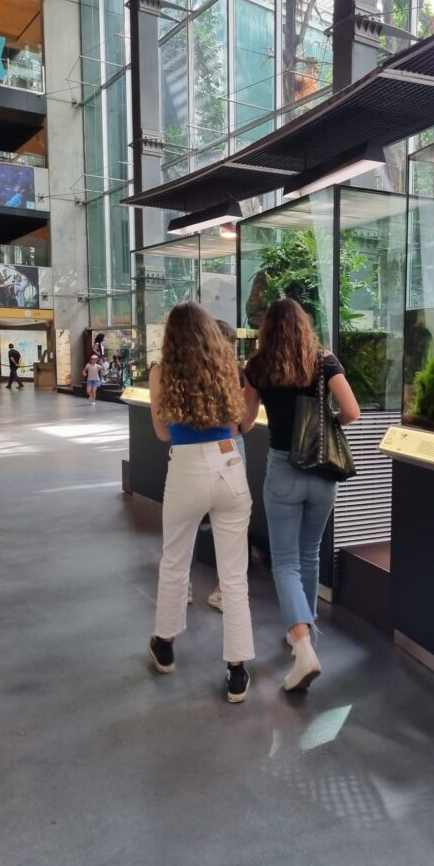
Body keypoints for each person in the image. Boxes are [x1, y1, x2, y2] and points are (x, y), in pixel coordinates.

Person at [241, 298, 360, 692]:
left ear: (267, 329)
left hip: (284, 469)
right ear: (303, 325)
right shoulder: (324, 360)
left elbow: (245, 421)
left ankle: (303, 647)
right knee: (309, 554)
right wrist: (327, 424)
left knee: (286, 561)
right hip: (323, 469)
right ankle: (304, 629)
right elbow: (352, 411)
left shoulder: (258, 366)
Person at [148, 302, 253, 704]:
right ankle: (237, 671)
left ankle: (165, 644)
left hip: (186, 469)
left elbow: (162, 434)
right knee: (235, 575)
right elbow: (238, 425)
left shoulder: (161, 372)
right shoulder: (225, 366)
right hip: (229, 464)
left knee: (175, 561)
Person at [203, 320, 248, 613]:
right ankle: (224, 590)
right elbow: (240, 422)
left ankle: (183, 586)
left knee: (187, 520)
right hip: (231, 448)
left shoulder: (194, 371)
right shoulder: (236, 373)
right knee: (232, 525)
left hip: (196, 449)